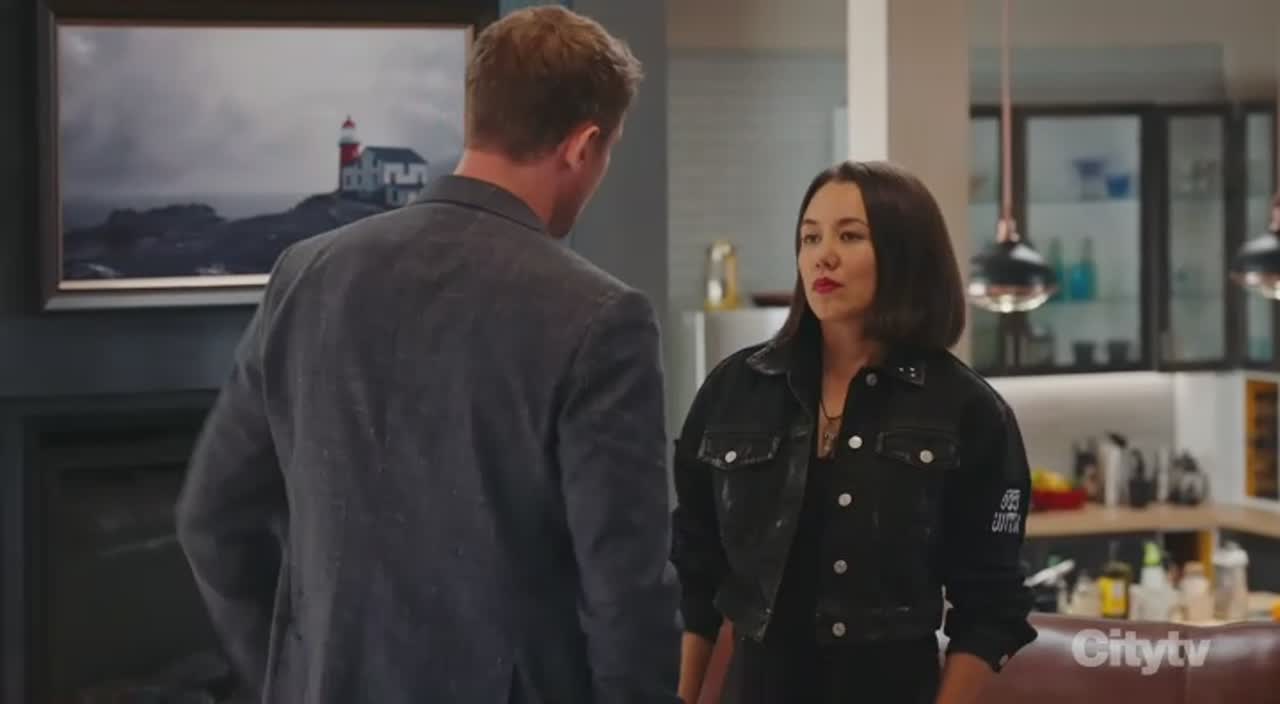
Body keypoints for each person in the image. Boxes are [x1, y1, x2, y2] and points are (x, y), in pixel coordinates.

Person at [176, 6, 682, 703]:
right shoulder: (602, 319)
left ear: (479, 115)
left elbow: (211, 519)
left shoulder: (305, 274)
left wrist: (293, 672)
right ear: (582, 144)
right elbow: (626, 594)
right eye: (609, 151)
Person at [670, 161, 1038, 704]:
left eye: (849, 236)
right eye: (810, 237)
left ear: (904, 253)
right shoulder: (735, 390)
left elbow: (991, 608)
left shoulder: (969, 411)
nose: (824, 255)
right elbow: (694, 572)